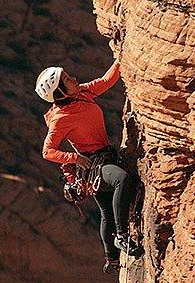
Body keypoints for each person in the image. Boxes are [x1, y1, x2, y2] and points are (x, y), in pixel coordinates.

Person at [36, 62, 141, 272]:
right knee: (121, 179)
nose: (73, 78)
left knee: (106, 213)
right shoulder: (60, 119)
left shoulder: (81, 93)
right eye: (67, 80)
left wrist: (121, 58)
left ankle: (111, 258)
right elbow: (47, 151)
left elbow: (105, 81)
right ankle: (121, 237)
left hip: (103, 156)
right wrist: (73, 158)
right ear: (59, 93)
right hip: (92, 164)